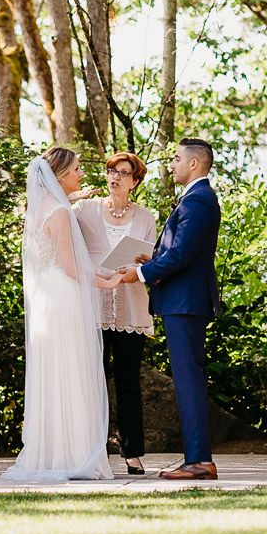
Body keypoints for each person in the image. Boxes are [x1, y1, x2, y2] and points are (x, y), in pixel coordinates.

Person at [3, 148, 126, 482]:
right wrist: (105, 281)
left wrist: (101, 276)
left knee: (55, 373)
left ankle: (54, 451)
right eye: (76, 169)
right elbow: (72, 268)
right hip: (63, 300)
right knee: (72, 370)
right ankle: (72, 454)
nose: (81, 174)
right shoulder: (59, 211)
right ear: (58, 176)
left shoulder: (38, 210)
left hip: (48, 298)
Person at [121, 138, 223, 480]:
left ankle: (199, 461)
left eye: (177, 159)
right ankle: (196, 458)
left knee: (188, 380)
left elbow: (182, 257)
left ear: (194, 164)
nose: (172, 164)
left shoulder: (198, 200)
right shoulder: (196, 200)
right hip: (183, 301)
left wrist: (138, 273)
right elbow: (181, 252)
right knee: (187, 379)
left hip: (185, 302)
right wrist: (154, 260)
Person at [75, 151, 158, 476]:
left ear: (134, 182)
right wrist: (72, 196)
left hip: (130, 309)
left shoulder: (146, 218)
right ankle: (90, 452)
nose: (115, 177)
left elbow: (150, 259)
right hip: (92, 308)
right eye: (112, 171)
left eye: (123, 173)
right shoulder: (86, 210)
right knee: (90, 382)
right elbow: (56, 229)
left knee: (128, 383)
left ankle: (132, 454)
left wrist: (136, 267)